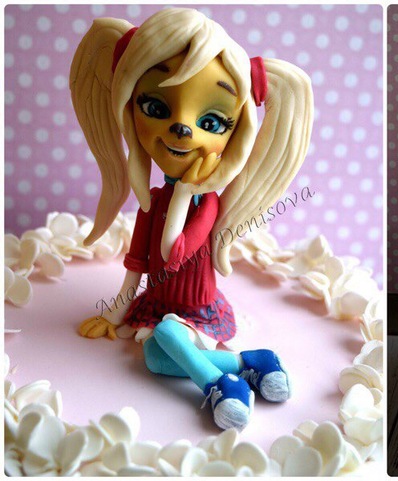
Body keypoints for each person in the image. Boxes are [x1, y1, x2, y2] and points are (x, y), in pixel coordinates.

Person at [70, 8, 313, 431]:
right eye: (155, 106)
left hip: (197, 309)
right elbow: (137, 262)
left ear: (236, 133)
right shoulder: (152, 200)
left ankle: (215, 385)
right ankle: (245, 366)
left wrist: (185, 192)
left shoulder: (208, 205)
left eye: (211, 121)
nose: (182, 128)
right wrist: (114, 314)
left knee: (166, 338)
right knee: (154, 356)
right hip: (158, 305)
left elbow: (174, 252)